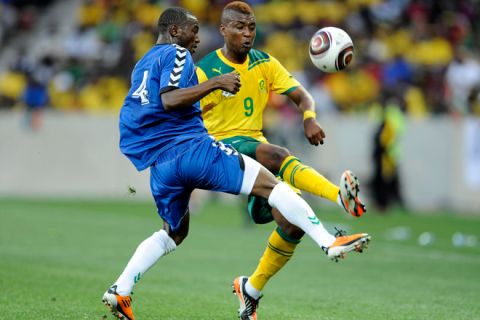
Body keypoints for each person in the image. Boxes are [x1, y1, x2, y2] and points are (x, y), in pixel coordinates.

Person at [101, 7, 370, 320]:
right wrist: (216, 84)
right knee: (274, 179)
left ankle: (121, 290)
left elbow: (141, 109)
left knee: (174, 233)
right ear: (175, 31)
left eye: (251, 27)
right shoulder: (179, 54)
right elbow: (170, 99)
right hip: (196, 151)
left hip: (162, 165)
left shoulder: (142, 64)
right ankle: (329, 239)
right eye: (193, 30)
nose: (197, 38)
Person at [195, 2, 367, 319]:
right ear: (223, 30)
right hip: (219, 149)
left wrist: (309, 118)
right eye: (239, 28)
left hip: (252, 149)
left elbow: (303, 96)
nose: (247, 34)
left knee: (292, 223)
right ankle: (338, 198)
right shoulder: (207, 69)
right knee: (278, 154)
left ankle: (251, 288)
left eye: (251, 28)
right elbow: (185, 110)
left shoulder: (265, 63)